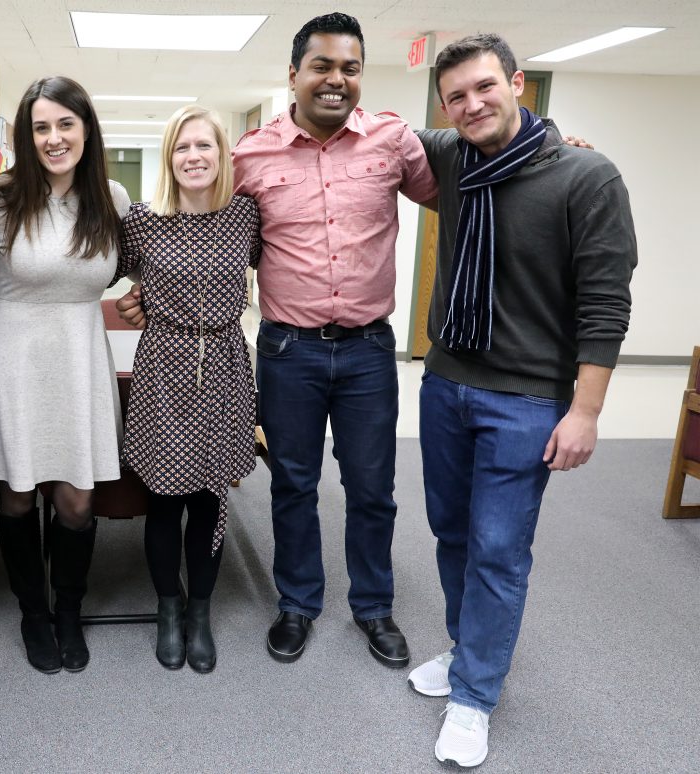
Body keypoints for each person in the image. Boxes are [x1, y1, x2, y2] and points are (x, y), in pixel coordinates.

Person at [121, 12, 439, 666]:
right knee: (292, 482)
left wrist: (543, 143)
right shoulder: (251, 156)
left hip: (369, 351)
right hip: (288, 350)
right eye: (321, 66)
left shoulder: (392, 140)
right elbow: (195, 220)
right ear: (293, 76)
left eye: (349, 67)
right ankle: (297, 603)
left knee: (372, 486)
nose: (336, 79)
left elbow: (463, 179)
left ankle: (374, 608)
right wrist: (144, 289)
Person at [407, 34, 636, 767]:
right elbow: (361, 132)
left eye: (484, 87)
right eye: (456, 97)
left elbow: (605, 303)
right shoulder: (450, 157)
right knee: (450, 535)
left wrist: (587, 410)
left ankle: (474, 698)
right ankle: (466, 649)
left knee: (499, 552)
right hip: (445, 384)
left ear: (517, 85)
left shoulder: (586, 175)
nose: (472, 104)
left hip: (527, 399)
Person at [0, 76, 130, 675]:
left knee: (76, 500)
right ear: (25, 135)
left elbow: (145, 265)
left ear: (86, 129)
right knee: (17, 496)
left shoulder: (112, 199)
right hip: (16, 354)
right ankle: (32, 613)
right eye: (40, 127)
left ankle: (68, 609)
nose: (53, 138)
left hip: (80, 354)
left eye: (65, 124)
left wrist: (150, 296)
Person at [117, 106, 261, 673]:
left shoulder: (245, 216)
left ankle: (200, 609)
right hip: (164, 366)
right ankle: (168, 607)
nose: (194, 156)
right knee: (166, 498)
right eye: (182, 147)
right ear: (168, 159)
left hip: (224, 363)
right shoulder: (142, 221)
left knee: (208, 498)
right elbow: (118, 275)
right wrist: (133, 301)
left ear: (223, 156)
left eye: (205, 145)